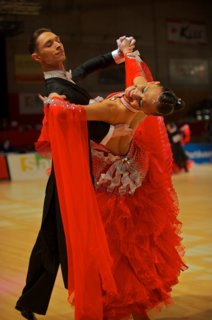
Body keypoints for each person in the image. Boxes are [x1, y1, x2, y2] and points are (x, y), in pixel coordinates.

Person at [37, 45, 187, 320]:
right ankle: (137, 308)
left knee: (111, 250)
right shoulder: (145, 102)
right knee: (133, 246)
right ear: (151, 85)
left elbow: (68, 113)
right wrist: (128, 55)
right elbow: (138, 76)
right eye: (142, 89)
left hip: (110, 181)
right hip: (133, 176)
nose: (135, 92)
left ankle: (114, 305)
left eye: (141, 97)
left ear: (148, 110)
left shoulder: (112, 108)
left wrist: (54, 99)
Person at [15, 28, 136, 320]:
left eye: (57, 40)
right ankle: (88, 294)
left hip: (69, 173)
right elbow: (87, 122)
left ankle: (31, 301)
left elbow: (84, 68)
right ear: (36, 57)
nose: (57, 45)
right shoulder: (57, 90)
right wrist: (115, 135)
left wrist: (115, 55)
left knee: (51, 236)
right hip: (71, 177)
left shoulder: (63, 79)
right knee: (68, 238)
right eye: (48, 44)